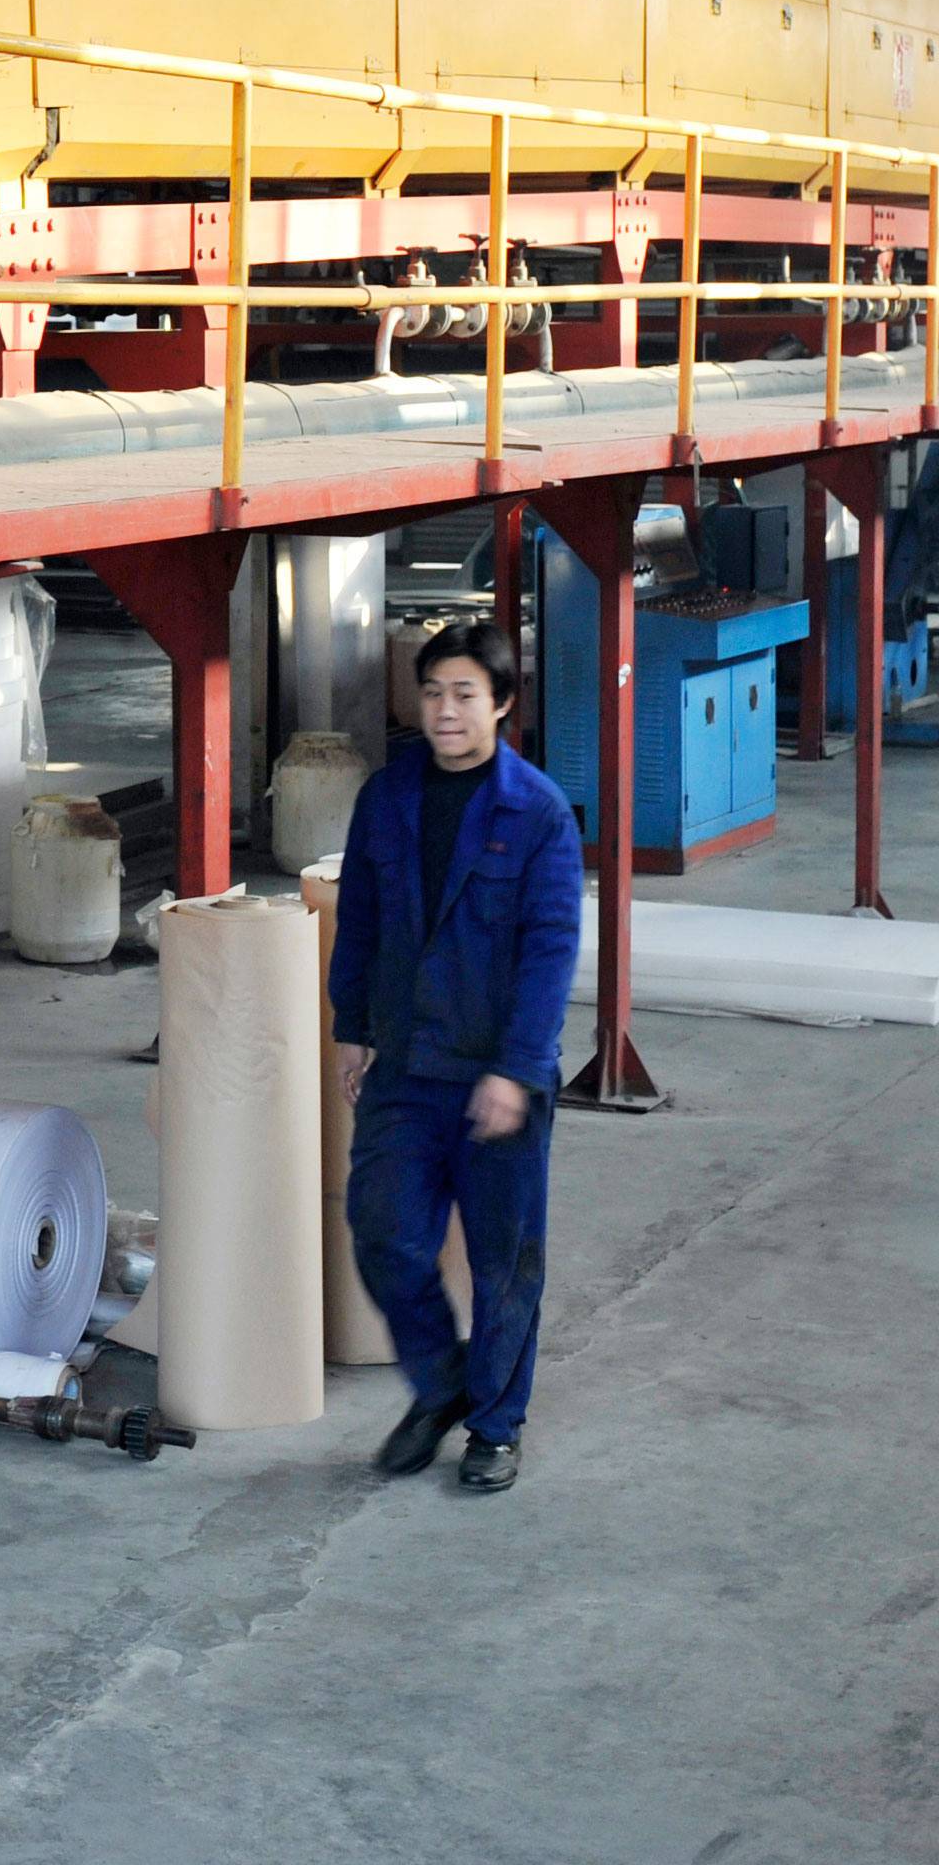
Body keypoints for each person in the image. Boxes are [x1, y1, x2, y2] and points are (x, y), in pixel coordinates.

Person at [326, 621, 582, 1495]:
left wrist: (516, 1068)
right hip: (405, 1064)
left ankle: (496, 1428)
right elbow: (359, 919)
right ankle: (442, 1385)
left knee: (503, 1264)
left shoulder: (538, 813)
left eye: (465, 694)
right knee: (385, 1232)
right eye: (433, 691)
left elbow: (551, 950)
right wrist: (352, 1025)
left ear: (502, 704)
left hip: (498, 1072)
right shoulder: (387, 797)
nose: (445, 710)